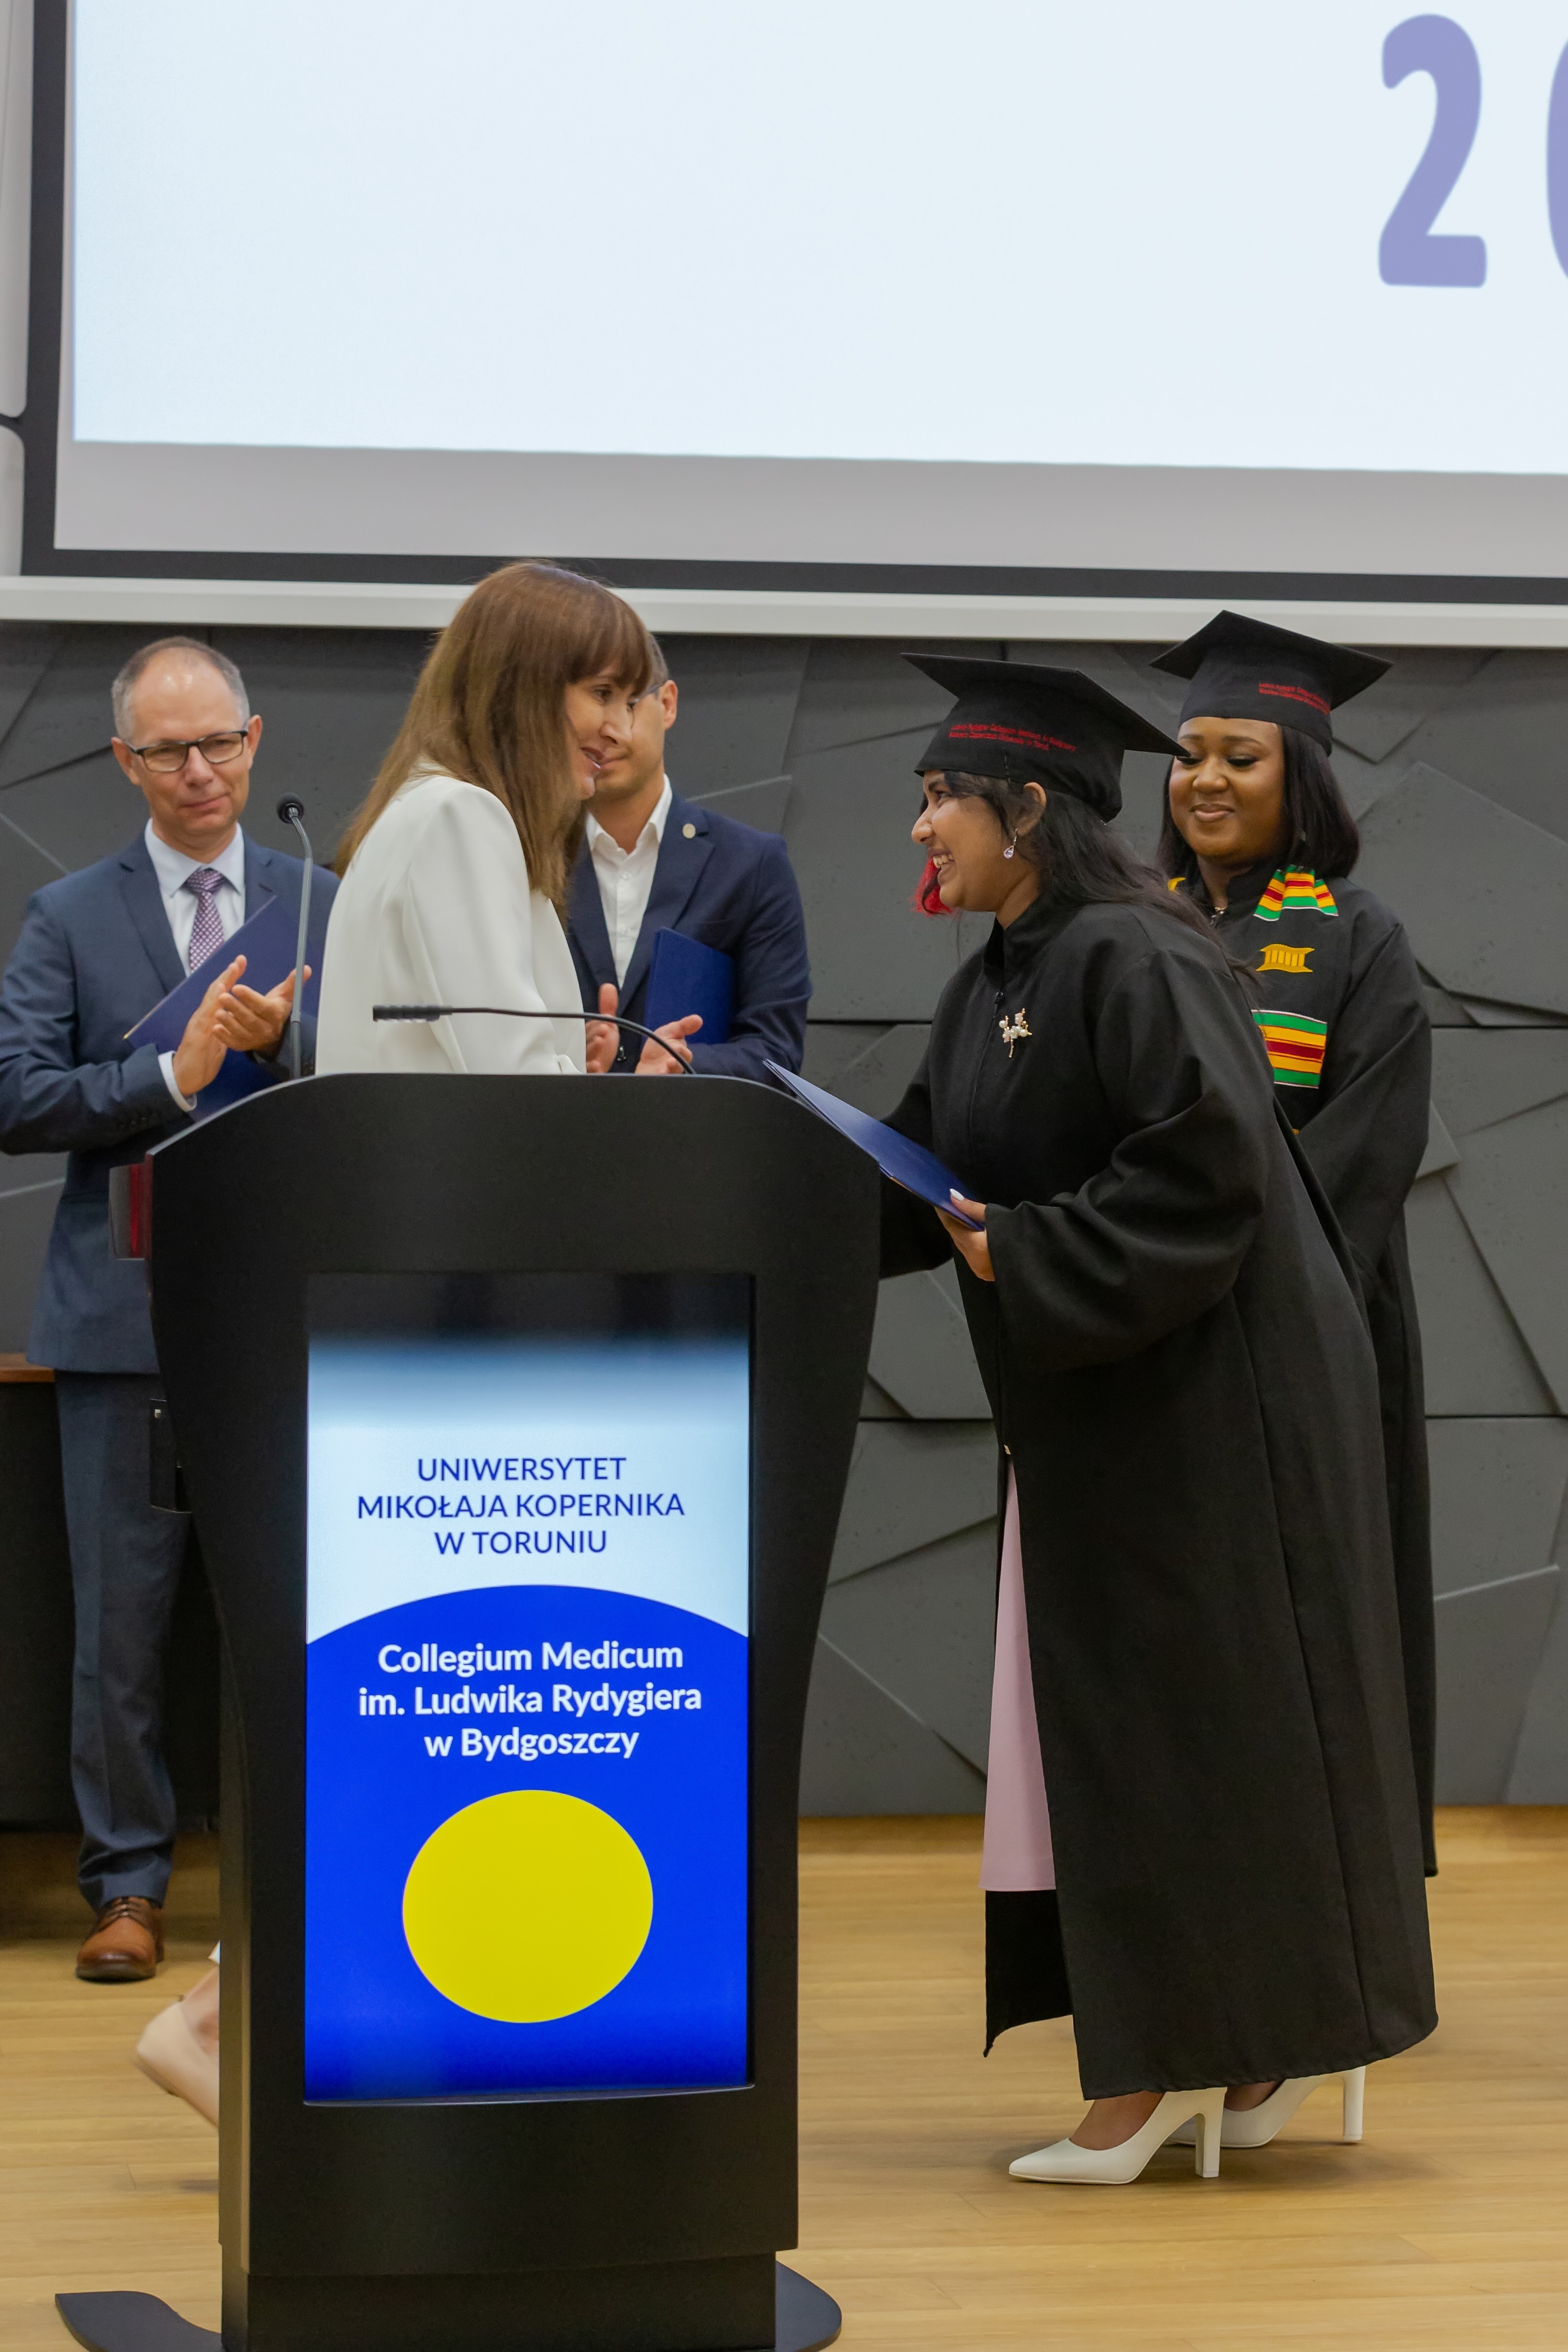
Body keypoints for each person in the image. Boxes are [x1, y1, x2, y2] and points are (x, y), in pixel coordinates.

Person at [881, 654, 1435, 2184]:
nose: (919, 829)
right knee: (1161, 1741)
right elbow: (923, 1165)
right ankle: (1229, 2054)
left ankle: (1169, 2073)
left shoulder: (1131, 951)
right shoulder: (1000, 975)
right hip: (1120, 1409)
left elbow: (1206, 1168)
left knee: (1202, 1742)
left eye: (938, 800)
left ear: (1024, 810)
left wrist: (1031, 1248)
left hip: (1214, 1411)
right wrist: (739, 1139)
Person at [0, 636, 330, 1986]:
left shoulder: (321, 900)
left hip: (284, 1311)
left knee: (296, 1616)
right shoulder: (69, 913)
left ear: (256, 742)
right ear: (125, 762)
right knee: (121, 1629)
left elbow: (389, 1069)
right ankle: (126, 1885)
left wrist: (286, 1042)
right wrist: (171, 1071)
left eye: (219, 743)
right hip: (120, 1313)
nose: (199, 770)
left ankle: (290, 1885)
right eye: (168, 750)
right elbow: (17, 1093)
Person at [1151, 612, 1436, 1873]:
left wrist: (1218, 1267)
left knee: (1309, 1610)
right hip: (1150, 1323)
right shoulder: (1135, 926)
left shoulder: (1355, 938)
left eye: (1240, 757)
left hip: (1305, 1324)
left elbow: (1364, 1150)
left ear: (1300, 779)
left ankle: (1329, 1876)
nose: (1204, 780)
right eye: (1187, 755)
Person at [317, 563, 697, 1079]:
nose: (621, 730)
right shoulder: (459, 817)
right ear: (525, 688)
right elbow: (513, 1083)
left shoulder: (421, 808)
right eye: (603, 693)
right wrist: (619, 1102)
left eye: (630, 703)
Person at [565, 636, 810, 1078]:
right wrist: (562, 1062)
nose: (606, 728)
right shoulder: (531, 858)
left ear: (668, 703)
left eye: (626, 703)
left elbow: (777, 1051)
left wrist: (680, 1066)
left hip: (693, 1119)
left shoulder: (750, 864)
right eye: (589, 704)